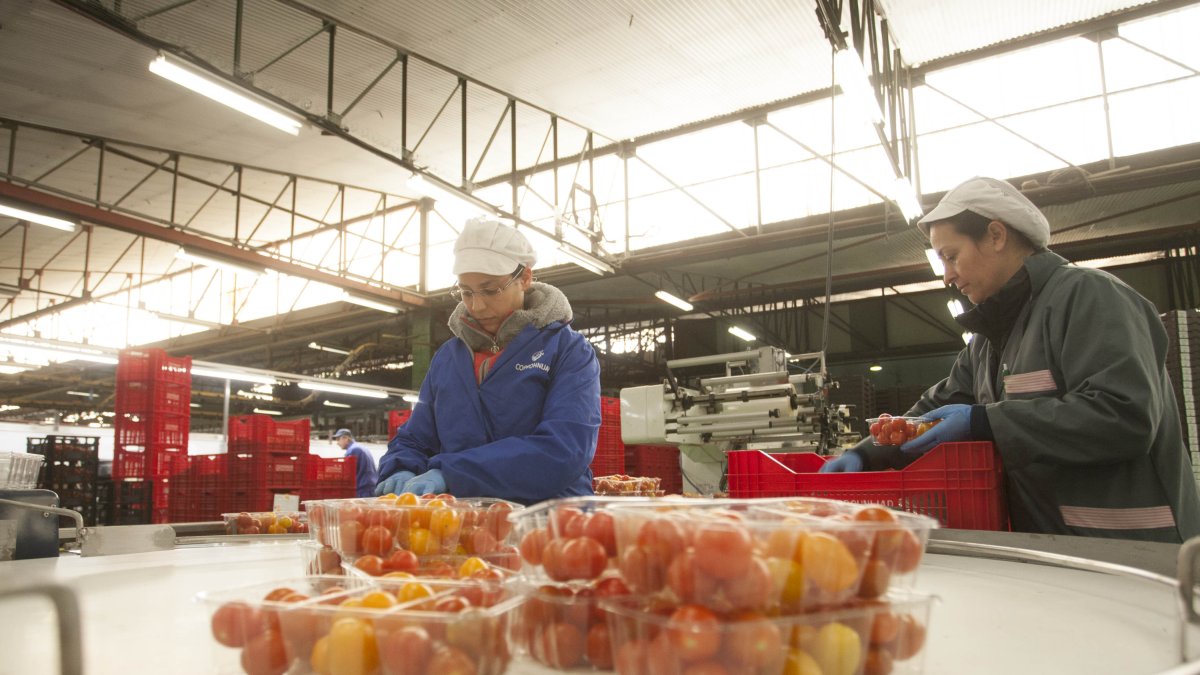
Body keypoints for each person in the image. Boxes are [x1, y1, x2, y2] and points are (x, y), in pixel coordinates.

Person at [822, 176, 1200, 543]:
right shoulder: (990, 339)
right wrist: (867, 452)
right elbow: (940, 408)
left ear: (996, 235)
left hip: (1136, 549)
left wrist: (986, 422)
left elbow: (1124, 416)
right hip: (1054, 549)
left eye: (951, 257)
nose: (947, 277)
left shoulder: (1090, 297)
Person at [374, 218, 601, 505]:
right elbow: (416, 437)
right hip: (464, 526)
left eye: (491, 289)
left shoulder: (567, 350)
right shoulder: (448, 358)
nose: (477, 305)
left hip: (550, 524)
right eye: (466, 292)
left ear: (525, 278)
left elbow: (565, 449)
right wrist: (400, 465)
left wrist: (452, 474)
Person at [333, 428, 379, 498]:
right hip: (370, 486)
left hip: (363, 488)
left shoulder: (353, 450)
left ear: (346, 438)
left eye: (338, 439)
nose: (337, 443)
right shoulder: (358, 447)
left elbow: (348, 473)